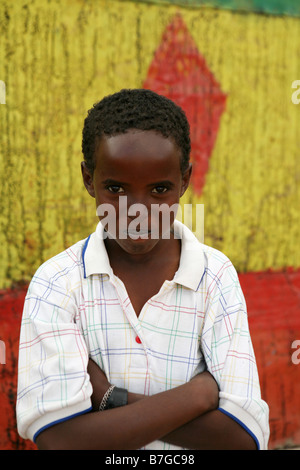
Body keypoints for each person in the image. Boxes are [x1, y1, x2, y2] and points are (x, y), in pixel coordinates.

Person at [16, 89, 269, 450]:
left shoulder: (214, 276)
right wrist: (196, 396)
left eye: (159, 189)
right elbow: (60, 439)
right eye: (116, 188)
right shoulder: (58, 283)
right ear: (89, 180)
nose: (137, 212)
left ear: (184, 181)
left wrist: (109, 399)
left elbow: (243, 437)